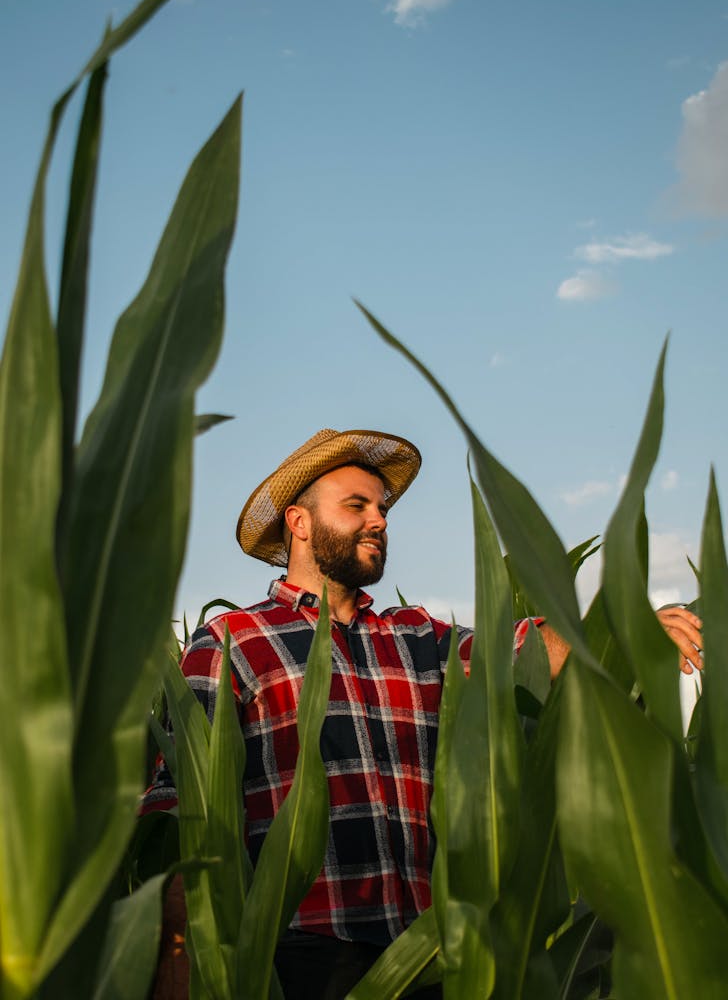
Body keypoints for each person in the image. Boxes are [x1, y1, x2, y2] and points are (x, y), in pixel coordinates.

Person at [143, 428, 703, 999]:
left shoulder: (416, 637)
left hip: (428, 955)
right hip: (298, 954)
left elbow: (523, 656)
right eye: (356, 505)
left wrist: (623, 629)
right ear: (300, 522)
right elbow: (180, 809)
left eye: (382, 509)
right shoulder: (234, 642)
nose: (380, 520)